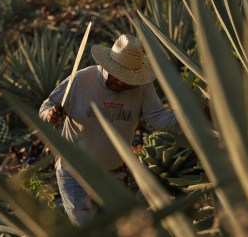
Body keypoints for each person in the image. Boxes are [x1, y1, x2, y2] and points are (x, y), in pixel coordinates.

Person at [39, 33, 178, 226]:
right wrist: (50, 115)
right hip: (74, 173)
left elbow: (159, 119)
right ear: (107, 65)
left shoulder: (142, 87)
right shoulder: (81, 80)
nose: (121, 82)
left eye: (127, 79)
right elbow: (46, 107)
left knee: (116, 229)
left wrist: (199, 115)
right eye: (118, 75)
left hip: (114, 175)